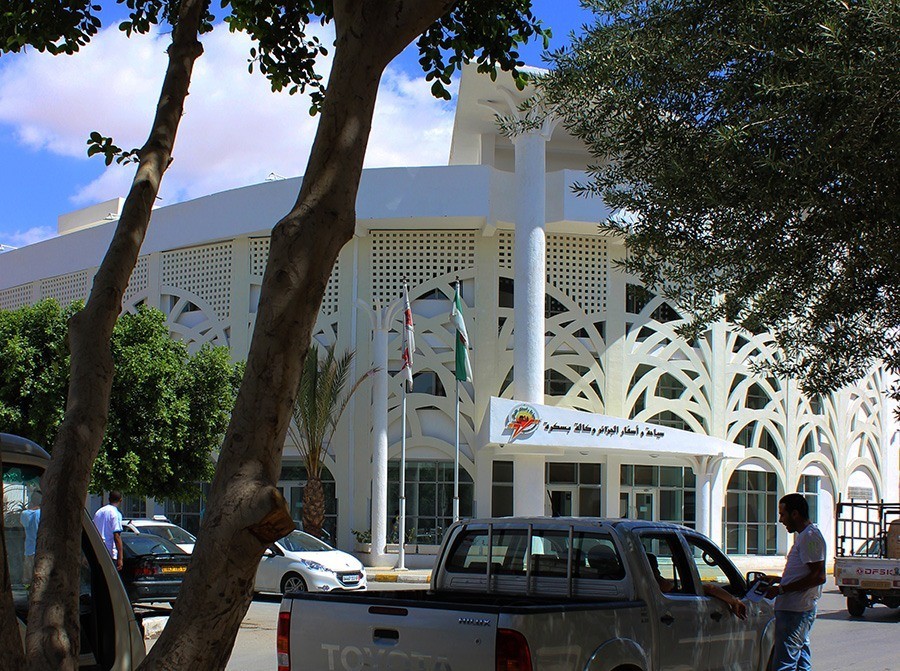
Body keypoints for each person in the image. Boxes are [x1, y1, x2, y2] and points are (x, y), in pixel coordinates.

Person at [763, 493, 826, 671]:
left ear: (795, 514)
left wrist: (781, 589)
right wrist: (778, 580)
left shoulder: (810, 536)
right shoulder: (805, 536)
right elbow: (804, 573)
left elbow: (818, 576)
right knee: (800, 661)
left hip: (796, 610)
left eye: (782, 514)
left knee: (785, 664)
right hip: (794, 610)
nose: (781, 520)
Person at [647, 552, 748, 619]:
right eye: (656, 569)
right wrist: (734, 601)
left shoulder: (643, 586)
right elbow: (710, 588)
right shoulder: (659, 585)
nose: (658, 572)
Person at [93, 491, 124, 571]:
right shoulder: (116, 513)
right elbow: (117, 536)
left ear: (109, 499)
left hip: (96, 550)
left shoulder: (99, 512)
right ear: (120, 500)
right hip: (109, 552)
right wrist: (120, 558)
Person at [21, 491, 41, 582]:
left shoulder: (24, 514)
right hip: (41, 551)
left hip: (29, 550)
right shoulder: (42, 514)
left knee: (28, 580)